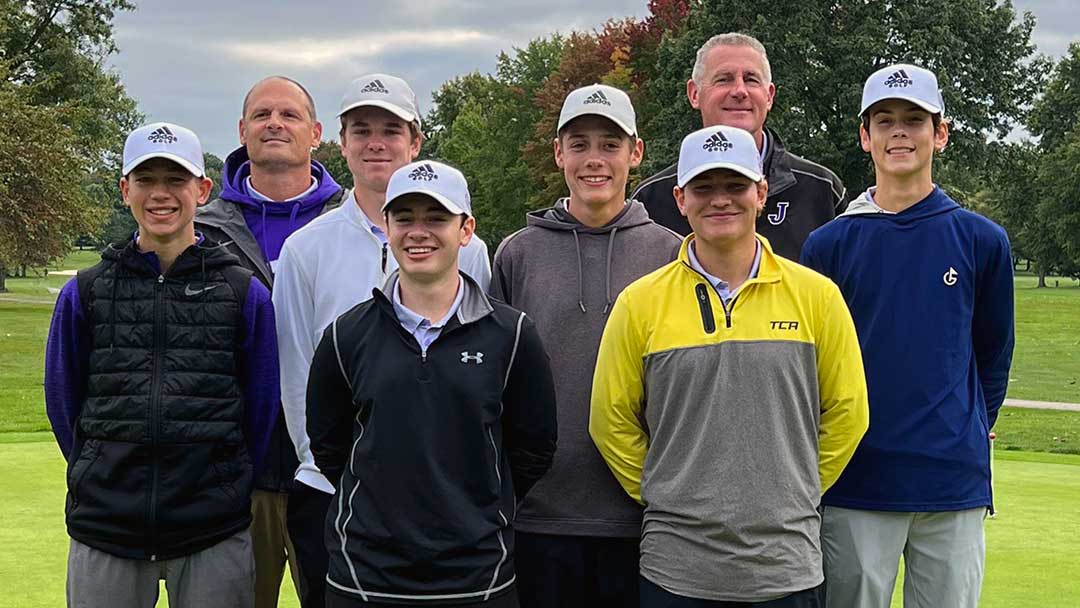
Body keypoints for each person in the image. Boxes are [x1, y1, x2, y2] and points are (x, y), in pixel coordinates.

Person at [591, 125, 869, 607]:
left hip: (786, 568)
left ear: (761, 193)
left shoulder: (817, 296)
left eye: (735, 186)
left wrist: (793, 492)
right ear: (680, 198)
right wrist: (666, 491)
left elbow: (848, 414)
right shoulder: (640, 303)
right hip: (675, 569)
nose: (720, 200)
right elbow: (610, 420)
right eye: (704, 187)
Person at [271, 73, 492, 605]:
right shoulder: (306, 248)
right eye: (361, 129)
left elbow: (481, 369)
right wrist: (341, 470)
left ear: (415, 143)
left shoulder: (473, 249)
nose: (376, 143)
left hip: (445, 496)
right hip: (333, 493)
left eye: (391, 130)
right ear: (341, 143)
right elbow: (296, 372)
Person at [800, 63, 1015, 608]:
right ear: (864, 136)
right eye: (885, 120)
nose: (900, 132)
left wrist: (967, 427)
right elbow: (815, 364)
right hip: (857, 482)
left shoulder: (980, 240)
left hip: (951, 484)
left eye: (914, 120)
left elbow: (993, 354)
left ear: (939, 133)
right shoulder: (828, 245)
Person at [44, 122, 280, 607]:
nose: (161, 194)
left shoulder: (242, 293)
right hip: (106, 524)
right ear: (125, 189)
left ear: (202, 189)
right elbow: (64, 402)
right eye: (146, 180)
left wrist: (220, 477)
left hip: (212, 528)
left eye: (175, 180)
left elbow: (260, 408)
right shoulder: (85, 291)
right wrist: (100, 468)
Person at [306, 160, 557, 607]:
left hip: (477, 577)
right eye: (404, 218)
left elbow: (532, 448)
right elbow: (330, 445)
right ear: (386, 227)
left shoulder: (512, 335)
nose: (418, 231)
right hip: (366, 579)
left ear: (466, 230)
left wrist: (474, 505)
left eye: (437, 218)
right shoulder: (347, 336)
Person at [490, 83, 680, 608]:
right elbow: (492, 382)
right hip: (539, 514)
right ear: (558, 154)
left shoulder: (672, 253)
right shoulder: (517, 254)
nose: (594, 159)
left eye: (610, 144)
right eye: (579, 144)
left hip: (644, 513)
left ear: (635, 153)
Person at [194, 75, 344, 608]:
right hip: (237, 475)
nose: (274, 124)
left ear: (316, 134)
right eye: (261, 115)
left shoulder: (358, 224)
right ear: (241, 130)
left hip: (331, 474)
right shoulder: (200, 232)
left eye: (289, 115)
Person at [632, 32, 845, 260]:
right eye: (724, 79)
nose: (740, 91)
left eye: (751, 79)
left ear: (769, 96)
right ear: (694, 94)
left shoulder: (821, 189)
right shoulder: (652, 199)